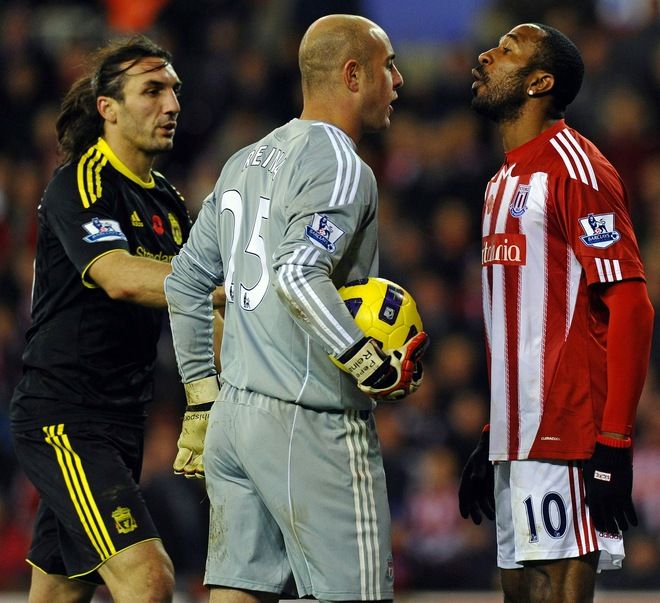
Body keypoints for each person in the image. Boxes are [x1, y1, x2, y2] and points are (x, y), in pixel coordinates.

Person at [164, 13, 429, 603]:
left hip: (234, 420)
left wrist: (202, 397)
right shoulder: (339, 162)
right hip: (309, 419)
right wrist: (366, 359)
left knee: (238, 594)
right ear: (353, 74)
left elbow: (183, 283)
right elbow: (296, 272)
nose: (399, 80)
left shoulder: (244, 161)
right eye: (389, 67)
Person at [10, 35, 221, 603]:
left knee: (56, 594)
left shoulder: (170, 204)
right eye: (152, 90)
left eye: (174, 90)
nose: (172, 105)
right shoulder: (81, 182)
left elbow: (201, 313)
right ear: (109, 107)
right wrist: (221, 290)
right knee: (149, 578)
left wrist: (210, 400)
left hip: (121, 422)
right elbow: (119, 276)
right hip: (65, 420)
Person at [458, 23, 654, 602]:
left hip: (566, 428)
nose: (486, 55)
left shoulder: (576, 169)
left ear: (540, 82)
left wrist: (615, 442)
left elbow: (632, 307)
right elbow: (519, 320)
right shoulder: (501, 181)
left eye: (507, 51)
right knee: (520, 592)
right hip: (515, 433)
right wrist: (495, 428)